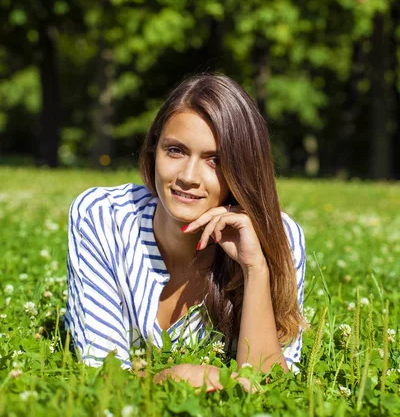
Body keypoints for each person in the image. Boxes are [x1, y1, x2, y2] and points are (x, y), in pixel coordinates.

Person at [65, 73, 306, 390]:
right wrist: (169, 378)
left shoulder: (279, 238)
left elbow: (272, 387)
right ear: (154, 152)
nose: (189, 177)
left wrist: (255, 269)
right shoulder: (102, 216)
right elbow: (100, 373)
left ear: (244, 169)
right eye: (175, 150)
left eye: (215, 160)